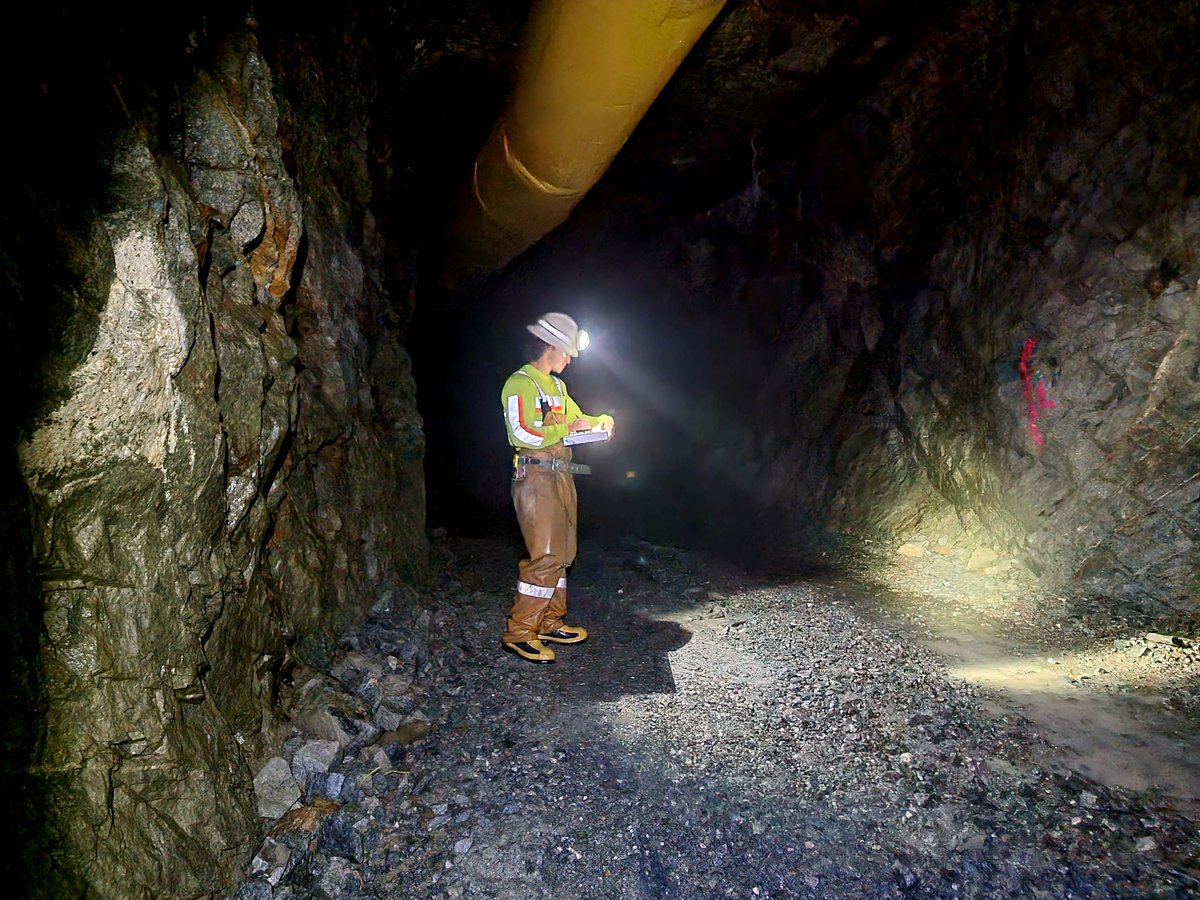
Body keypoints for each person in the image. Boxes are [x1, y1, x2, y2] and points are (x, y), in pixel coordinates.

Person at [500, 312, 615, 663]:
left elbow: (576, 420)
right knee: (546, 554)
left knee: (563, 554)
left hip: (561, 474)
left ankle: (550, 621)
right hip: (535, 477)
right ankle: (520, 631)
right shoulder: (520, 383)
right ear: (549, 346)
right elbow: (520, 432)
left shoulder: (558, 387)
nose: (569, 359)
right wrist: (563, 431)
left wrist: (600, 422)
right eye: (565, 352)